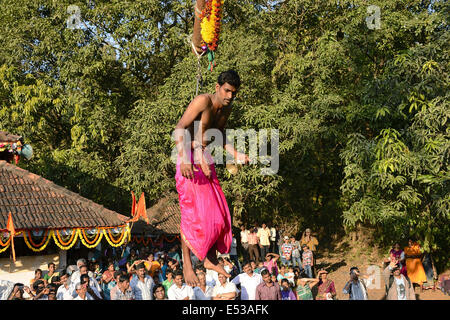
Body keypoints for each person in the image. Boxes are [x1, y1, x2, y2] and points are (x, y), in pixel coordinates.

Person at [174, 70, 249, 286]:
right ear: (218, 87)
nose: (229, 96)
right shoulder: (202, 101)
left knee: (218, 214)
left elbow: (220, 134)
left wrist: (236, 154)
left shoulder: (227, 108)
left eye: (233, 93)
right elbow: (180, 127)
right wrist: (185, 159)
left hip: (205, 157)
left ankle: (210, 259)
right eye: (227, 91)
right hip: (187, 154)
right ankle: (187, 264)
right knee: (192, 211)